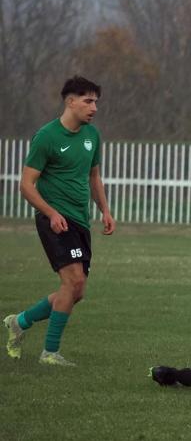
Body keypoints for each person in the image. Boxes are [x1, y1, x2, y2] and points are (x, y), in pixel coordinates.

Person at [4, 76, 115, 366]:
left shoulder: (92, 135)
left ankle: (20, 322)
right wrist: (51, 213)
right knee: (73, 281)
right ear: (70, 101)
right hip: (54, 219)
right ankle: (49, 353)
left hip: (80, 221)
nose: (94, 108)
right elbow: (26, 185)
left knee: (75, 291)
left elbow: (94, 176)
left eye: (96, 102)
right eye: (88, 101)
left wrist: (104, 210)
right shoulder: (47, 137)